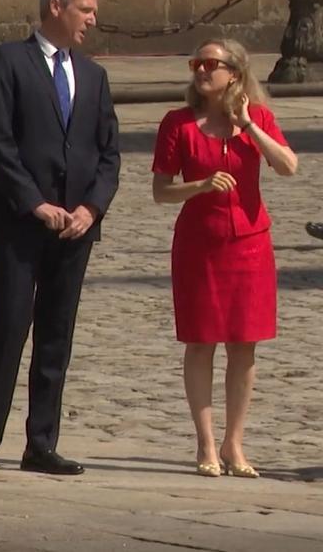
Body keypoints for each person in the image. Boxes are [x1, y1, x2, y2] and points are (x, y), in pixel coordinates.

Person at [0, 0, 120, 476]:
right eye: (86, 10)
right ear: (57, 8)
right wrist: (35, 203)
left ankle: (41, 441)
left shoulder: (93, 76)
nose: (92, 20)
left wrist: (90, 209)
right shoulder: (9, 62)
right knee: (10, 328)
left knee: (57, 332)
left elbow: (108, 155)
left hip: (75, 225)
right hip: (19, 221)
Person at [151, 39, 297, 478]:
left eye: (210, 64)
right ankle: (206, 443)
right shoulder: (178, 124)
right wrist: (197, 186)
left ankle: (235, 443)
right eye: (196, 62)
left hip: (250, 244)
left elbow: (288, 166)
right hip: (199, 244)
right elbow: (160, 192)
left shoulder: (259, 119)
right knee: (201, 341)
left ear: (233, 72)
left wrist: (249, 126)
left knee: (244, 344)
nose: (200, 70)